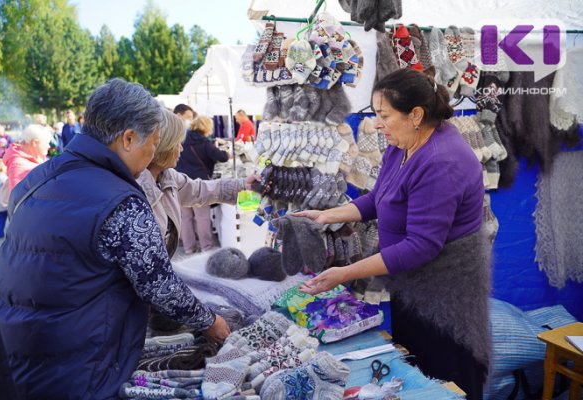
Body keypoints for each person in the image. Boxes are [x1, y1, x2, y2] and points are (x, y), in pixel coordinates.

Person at [0, 78, 230, 398]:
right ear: (129, 139)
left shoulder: (36, 179)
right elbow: (161, 287)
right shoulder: (121, 202)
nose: (152, 155)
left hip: (16, 352)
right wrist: (210, 321)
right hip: (80, 367)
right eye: (153, 143)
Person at [297, 69, 490, 399]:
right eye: (375, 115)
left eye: (384, 115)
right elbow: (379, 198)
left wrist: (344, 273)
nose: (377, 124)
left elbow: (420, 246)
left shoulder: (442, 161)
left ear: (416, 114)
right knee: (412, 366)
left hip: (445, 297)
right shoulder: (402, 145)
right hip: (412, 284)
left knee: (443, 379)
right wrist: (328, 215)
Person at [137, 108, 259, 332]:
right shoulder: (136, 191)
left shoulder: (166, 176)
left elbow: (201, 190)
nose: (181, 149)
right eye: (177, 143)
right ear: (161, 146)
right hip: (137, 299)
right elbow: (148, 273)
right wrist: (206, 321)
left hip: (155, 289)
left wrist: (243, 185)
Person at [177, 116, 230, 253]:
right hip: (198, 184)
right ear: (206, 127)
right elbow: (222, 157)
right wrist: (226, 151)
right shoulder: (204, 143)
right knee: (202, 217)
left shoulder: (182, 141)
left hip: (180, 182)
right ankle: (206, 247)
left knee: (186, 217)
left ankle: (189, 248)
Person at [3, 124, 51, 190]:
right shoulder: (18, 165)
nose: (48, 146)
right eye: (47, 143)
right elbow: (18, 196)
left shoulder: (39, 156)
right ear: (35, 143)